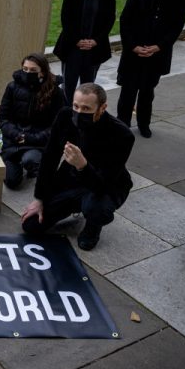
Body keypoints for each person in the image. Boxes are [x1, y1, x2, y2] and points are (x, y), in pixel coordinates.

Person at [21, 83, 135, 251]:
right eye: (76, 106)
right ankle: (74, 206)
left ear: (102, 108)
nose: (79, 112)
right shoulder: (65, 116)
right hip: (70, 179)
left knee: (95, 208)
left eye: (86, 108)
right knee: (31, 225)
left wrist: (83, 165)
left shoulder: (121, 134)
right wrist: (40, 199)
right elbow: (50, 157)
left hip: (106, 186)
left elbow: (103, 184)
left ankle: (92, 228)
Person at [117, 0, 185, 138]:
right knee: (128, 91)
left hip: (157, 54)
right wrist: (133, 46)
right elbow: (125, 21)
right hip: (134, 54)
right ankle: (122, 125)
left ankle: (144, 123)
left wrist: (159, 46)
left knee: (147, 91)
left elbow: (176, 26)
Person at [53, 0, 116, 105]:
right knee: (69, 85)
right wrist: (77, 40)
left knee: (88, 87)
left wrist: (95, 41)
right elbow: (65, 18)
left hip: (94, 47)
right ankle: (67, 116)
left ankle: (84, 116)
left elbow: (109, 19)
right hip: (72, 45)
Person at [0, 53, 65, 190]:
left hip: (36, 142)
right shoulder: (12, 87)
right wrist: (16, 134)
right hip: (13, 140)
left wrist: (30, 138)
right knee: (12, 182)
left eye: (33, 70)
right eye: (25, 69)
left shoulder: (55, 92)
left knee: (30, 160)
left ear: (43, 72)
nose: (28, 73)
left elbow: (57, 126)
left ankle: (36, 165)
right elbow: (2, 118)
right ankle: (13, 160)